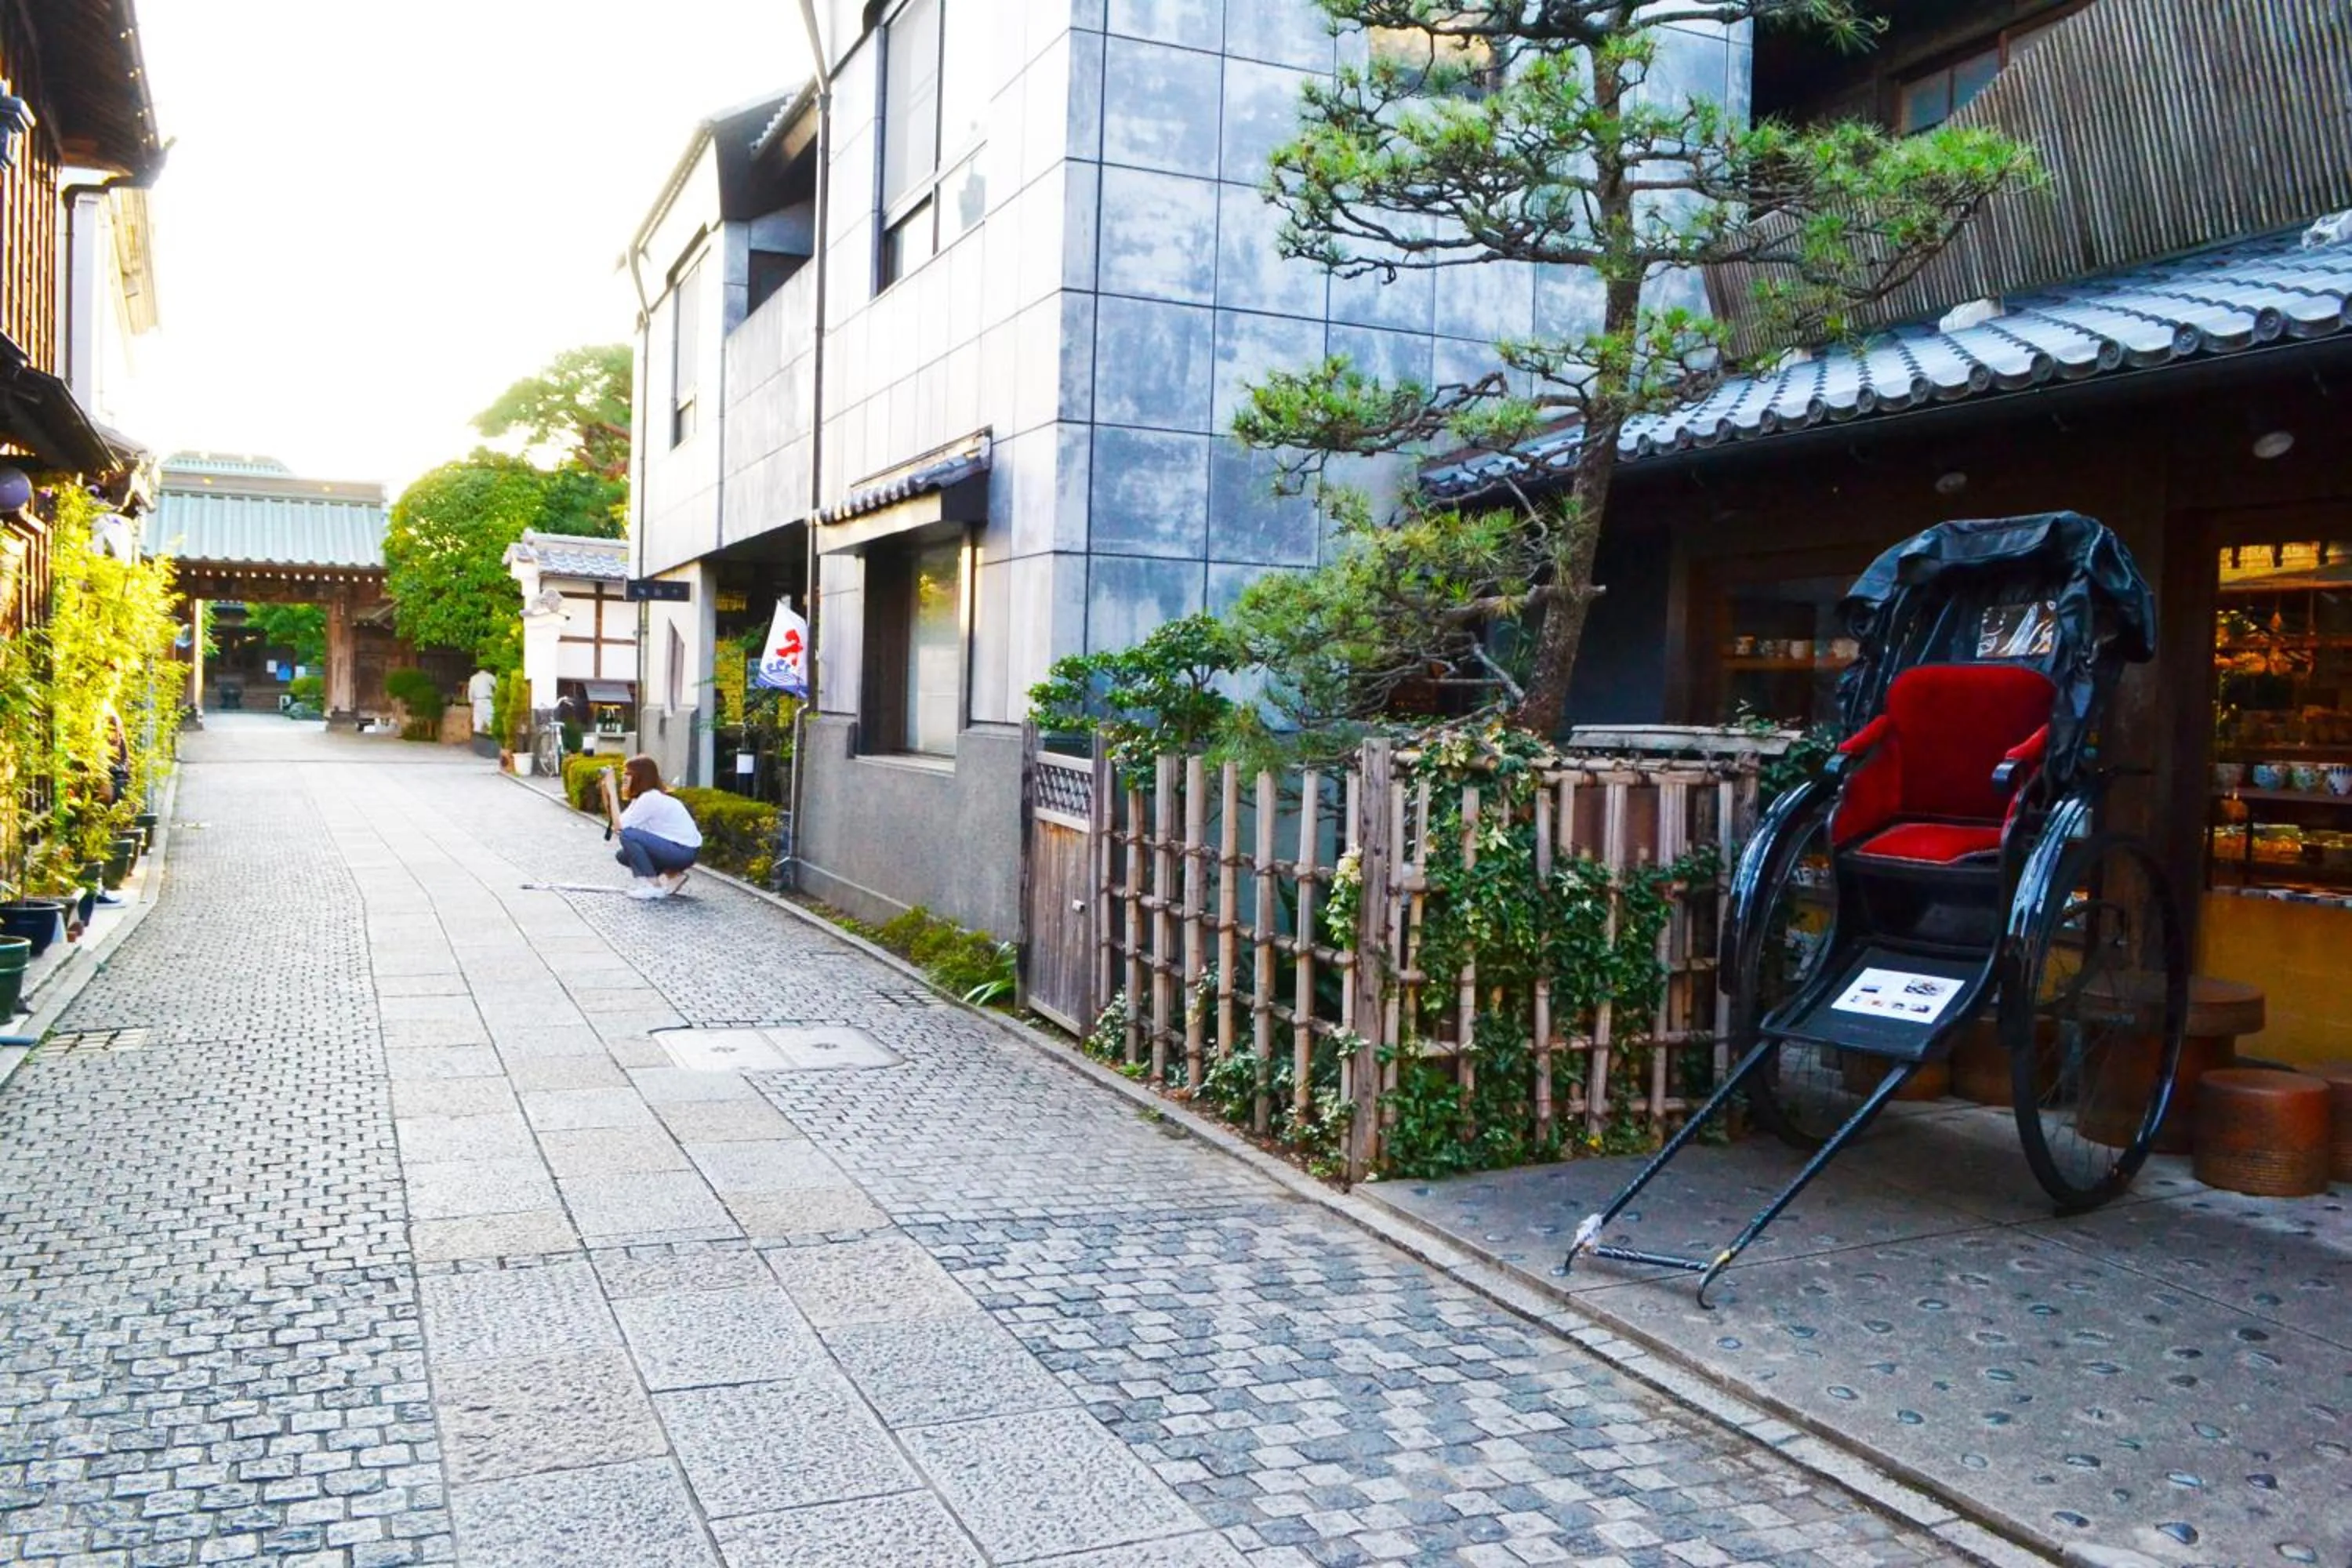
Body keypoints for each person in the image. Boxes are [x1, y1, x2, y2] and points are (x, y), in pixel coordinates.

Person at [612, 754, 700, 899]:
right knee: (623, 855)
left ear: (641, 776)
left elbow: (620, 828)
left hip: (683, 851)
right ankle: (672, 876)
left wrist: (611, 791)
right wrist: (608, 793)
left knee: (628, 835)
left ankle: (653, 886)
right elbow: (617, 825)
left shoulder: (650, 798)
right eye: (624, 773)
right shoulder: (642, 798)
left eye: (629, 774)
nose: (624, 778)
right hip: (681, 849)